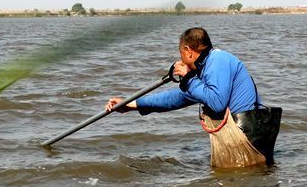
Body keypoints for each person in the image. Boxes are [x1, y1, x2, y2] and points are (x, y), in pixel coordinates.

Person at [105, 27, 281, 168]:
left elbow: (217, 103)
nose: (180, 59)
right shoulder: (205, 68)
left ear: (188, 51)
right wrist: (132, 104)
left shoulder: (217, 60)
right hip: (240, 135)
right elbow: (177, 98)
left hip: (247, 135)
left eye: (180, 53)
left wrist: (188, 78)